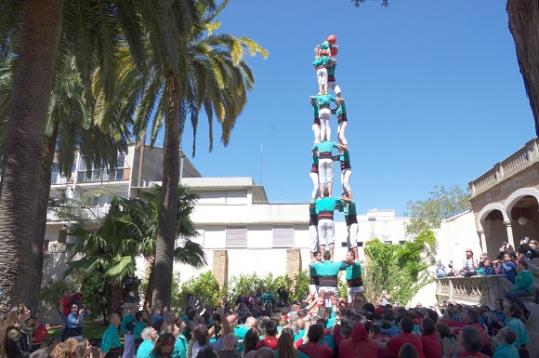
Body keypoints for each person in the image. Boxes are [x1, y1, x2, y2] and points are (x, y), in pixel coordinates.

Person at [314, 193, 344, 257]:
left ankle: (322, 257)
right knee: (331, 240)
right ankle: (331, 258)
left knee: (322, 240)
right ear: (329, 194)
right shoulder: (333, 200)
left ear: (322, 194)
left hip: (321, 220)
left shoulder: (318, 201)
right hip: (330, 220)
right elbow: (341, 207)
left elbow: (315, 209)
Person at [341, 193, 358, 257]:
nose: (343, 199)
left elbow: (350, 201)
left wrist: (341, 199)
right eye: (342, 197)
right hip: (348, 226)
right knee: (349, 244)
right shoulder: (344, 206)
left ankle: (356, 258)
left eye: (344, 197)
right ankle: (351, 258)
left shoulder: (352, 204)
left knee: (353, 242)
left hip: (353, 225)